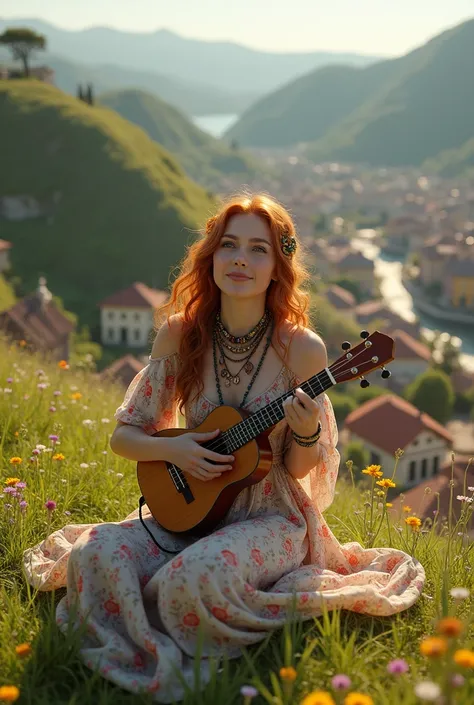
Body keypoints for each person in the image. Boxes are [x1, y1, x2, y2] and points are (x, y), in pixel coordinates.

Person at [23, 193, 425, 702]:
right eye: (229, 245)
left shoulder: (303, 349)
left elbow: (300, 470)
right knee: (94, 552)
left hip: (271, 516)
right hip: (189, 506)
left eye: (258, 249)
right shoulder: (179, 335)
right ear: (209, 256)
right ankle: (145, 627)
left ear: (278, 267)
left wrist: (304, 432)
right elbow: (124, 436)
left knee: (195, 577)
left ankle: (176, 622)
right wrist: (175, 452)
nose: (240, 259)